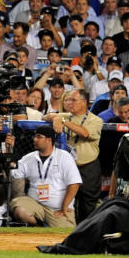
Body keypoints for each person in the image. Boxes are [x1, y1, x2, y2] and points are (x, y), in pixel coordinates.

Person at [42, 88, 102, 222]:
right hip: (66, 169)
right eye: (67, 100)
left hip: (87, 168)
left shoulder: (95, 120)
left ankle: (87, 233)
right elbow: (45, 116)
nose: (69, 103)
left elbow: (85, 133)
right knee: (64, 202)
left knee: (88, 205)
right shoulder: (64, 115)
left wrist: (62, 121)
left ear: (84, 102)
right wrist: (54, 116)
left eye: (73, 100)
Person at [7, 124, 81, 227]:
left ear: (49, 140)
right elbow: (14, 174)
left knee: (65, 235)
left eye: (39, 137)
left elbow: (74, 183)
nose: (35, 139)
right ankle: (39, 225)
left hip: (57, 208)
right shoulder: (28, 158)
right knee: (20, 211)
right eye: (35, 136)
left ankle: (44, 225)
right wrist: (9, 151)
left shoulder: (64, 157)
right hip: (35, 203)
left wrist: (64, 206)